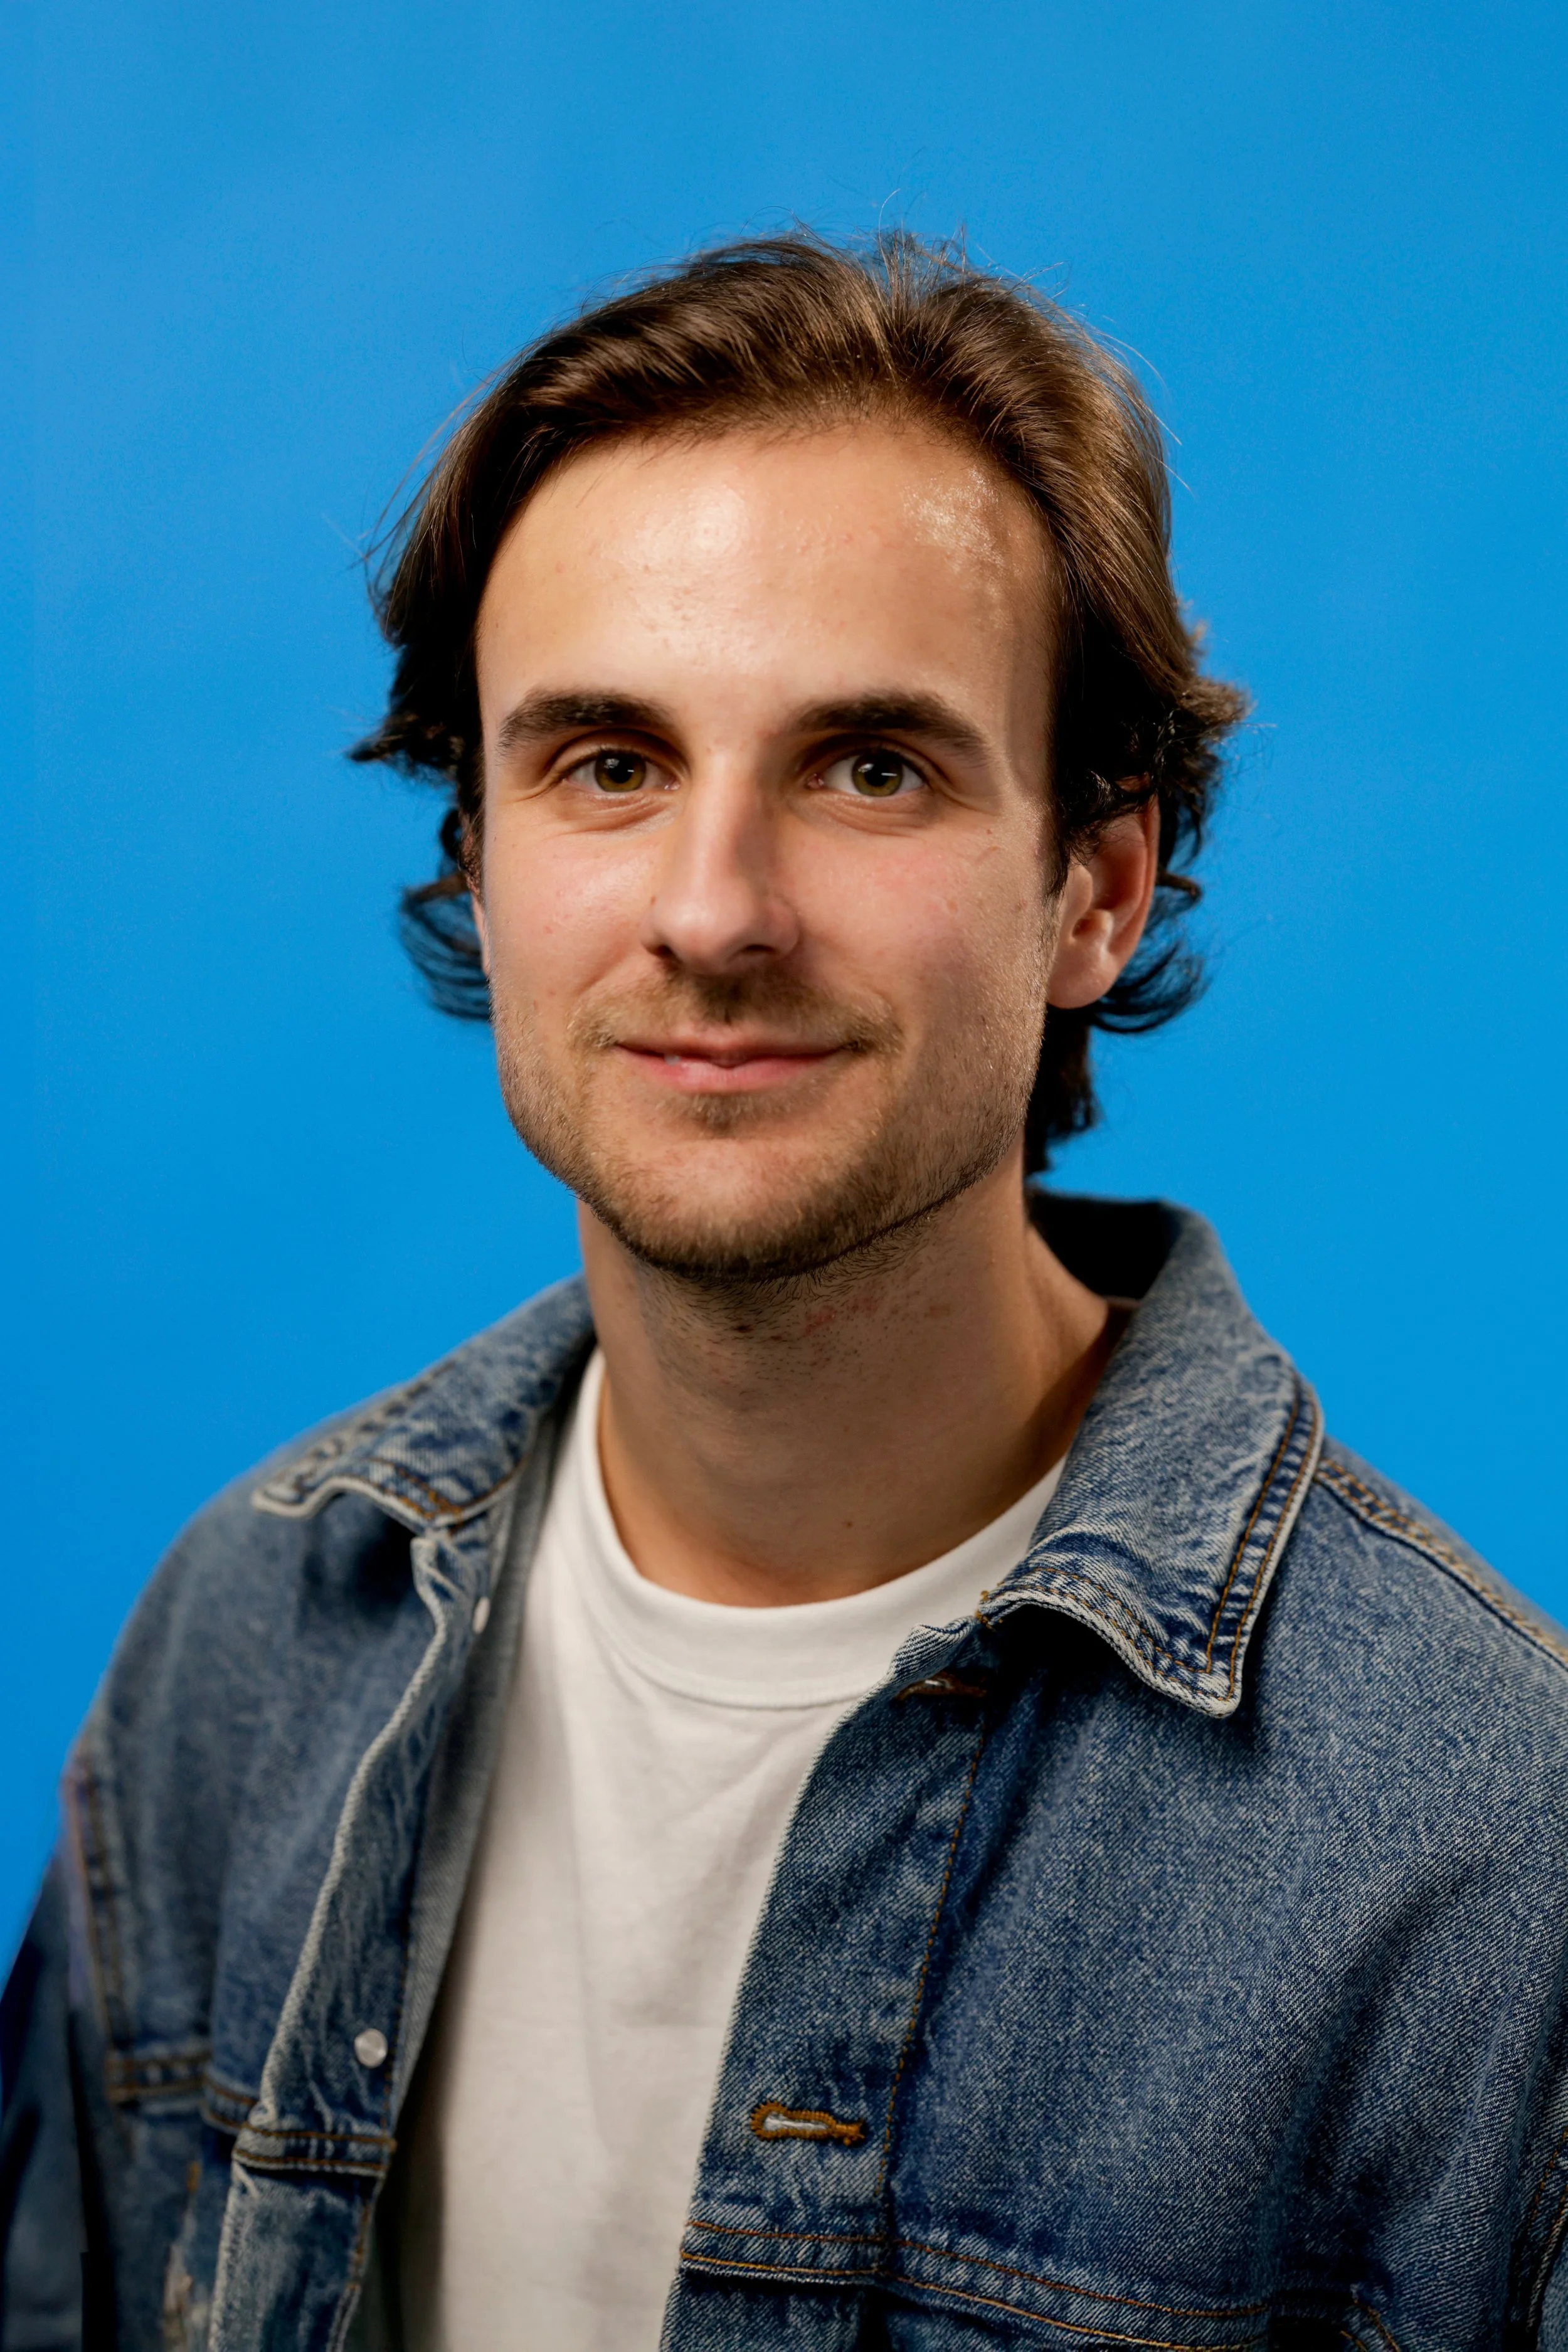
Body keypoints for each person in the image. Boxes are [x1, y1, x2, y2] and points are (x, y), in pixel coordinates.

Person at [4, 233, 1567, 2352]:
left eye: (869, 767)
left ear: (1093, 887)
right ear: (481, 855)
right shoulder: (256, 1642)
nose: (714, 908)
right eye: (608, 764)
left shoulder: (1483, 1852)